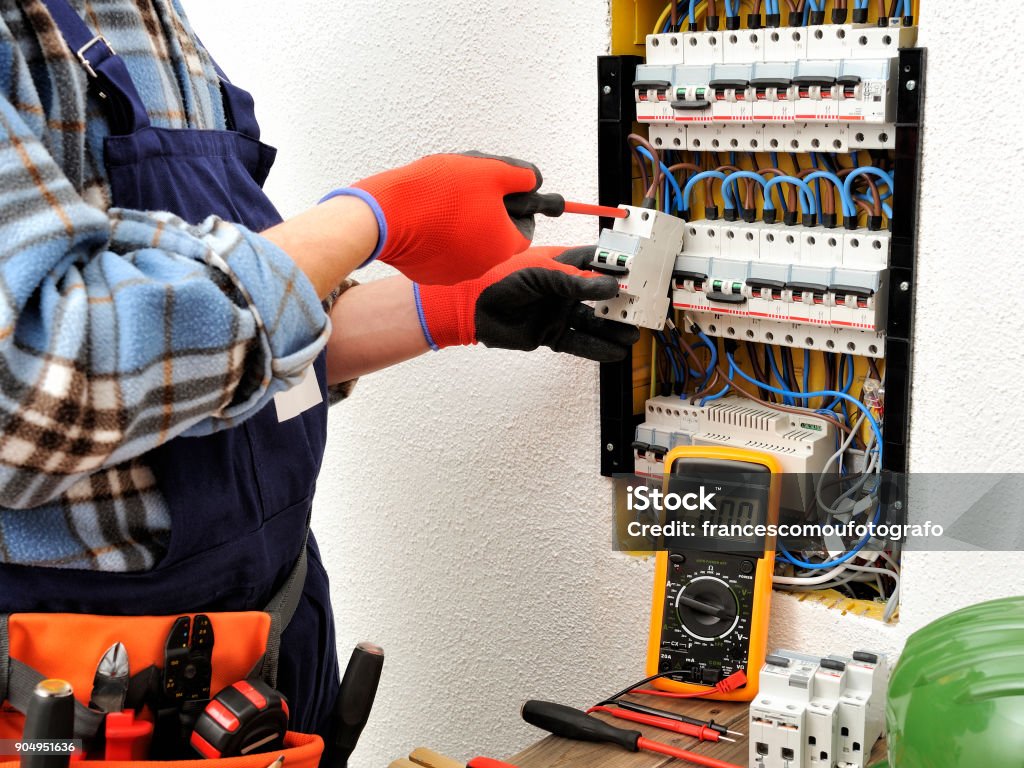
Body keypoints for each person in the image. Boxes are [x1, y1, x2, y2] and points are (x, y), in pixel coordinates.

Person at [0, 0, 638, 759]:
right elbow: (38, 384)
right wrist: (371, 219)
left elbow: (226, 354)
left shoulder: (152, 21)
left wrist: (452, 307)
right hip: (85, 699)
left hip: (274, 637)